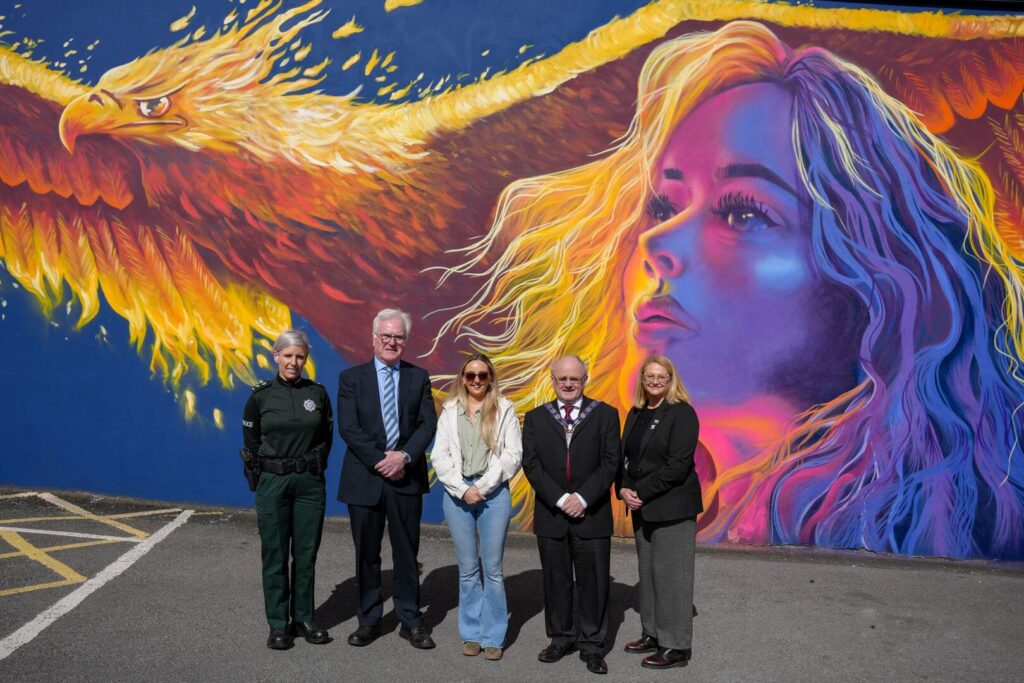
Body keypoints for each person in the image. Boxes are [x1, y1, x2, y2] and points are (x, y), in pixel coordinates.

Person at [437, 21, 1024, 560]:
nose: (655, 241)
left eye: (743, 212)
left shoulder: (907, 538)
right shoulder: (621, 468)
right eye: (663, 205)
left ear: (871, 284)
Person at [337, 308, 438, 649]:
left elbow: (427, 424)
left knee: (406, 552)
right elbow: (348, 427)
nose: (392, 342)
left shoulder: (418, 377)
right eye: (386, 336)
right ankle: (369, 620)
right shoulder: (352, 378)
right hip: (365, 478)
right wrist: (381, 460)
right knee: (367, 553)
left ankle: (411, 619)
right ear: (374, 338)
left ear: (405, 341)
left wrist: (404, 457)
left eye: (398, 337)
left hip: (406, 478)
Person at [521, 355, 620, 675]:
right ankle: (561, 637)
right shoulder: (536, 418)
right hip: (552, 514)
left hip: (592, 514)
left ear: (584, 380)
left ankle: (592, 645)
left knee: (593, 583)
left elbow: (610, 463)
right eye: (562, 378)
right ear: (553, 380)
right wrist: (562, 499)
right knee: (556, 581)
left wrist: (583, 498)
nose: (567, 384)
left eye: (574, 379)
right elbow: (531, 465)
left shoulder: (605, 415)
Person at [241, 329, 333, 650]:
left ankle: (304, 618)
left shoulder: (318, 394)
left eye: (300, 357)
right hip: (273, 482)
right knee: (276, 555)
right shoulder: (260, 396)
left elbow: (326, 439)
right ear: (276, 356)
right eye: (288, 356)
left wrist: (309, 466)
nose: (294, 362)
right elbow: (251, 443)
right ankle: (278, 624)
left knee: (305, 555)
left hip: (309, 483)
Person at [431, 353, 522, 661]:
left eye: (483, 375)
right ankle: (471, 633)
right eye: (470, 375)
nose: (477, 381)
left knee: (493, 570)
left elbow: (512, 455)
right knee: (469, 570)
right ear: (463, 378)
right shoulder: (449, 410)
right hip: (457, 496)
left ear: (491, 378)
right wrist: (462, 488)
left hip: (493, 495)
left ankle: (493, 636)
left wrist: (480, 488)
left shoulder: (505, 408)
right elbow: (439, 456)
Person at [619, 355, 701, 669]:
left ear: (671, 379)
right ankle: (653, 634)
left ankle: (676, 646)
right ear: (642, 379)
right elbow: (627, 460)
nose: (655, 381)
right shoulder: (637, 413)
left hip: (672, 507)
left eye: (661, 376)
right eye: (649, 376)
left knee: (673, 578)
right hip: (643, 507)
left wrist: (642, 491)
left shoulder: (682, 413)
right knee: (649, 575)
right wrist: (624, 488)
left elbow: (677, 466)